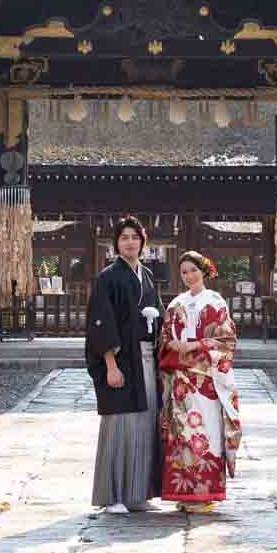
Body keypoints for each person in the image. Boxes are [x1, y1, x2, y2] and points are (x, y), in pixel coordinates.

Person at [85, 216, 164, 514]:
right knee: (119, 425)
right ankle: (113, 496)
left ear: (143, 241)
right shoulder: (107, 277)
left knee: (144, 424)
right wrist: (110, 365)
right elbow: (100, 323)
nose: (130, 242)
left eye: (135, 237)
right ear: (116, 243)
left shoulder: (146, 275)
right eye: (124, 237)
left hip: (145, 357)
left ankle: (137, 494)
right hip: (120, 360)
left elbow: (160, 317)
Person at [157, 251, 241, 513]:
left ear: (204, 271)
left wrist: (193, 345)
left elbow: (226, 341)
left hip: (206, 379)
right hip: (181, 380)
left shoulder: (216, 302)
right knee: (182, 434)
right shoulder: (175, 304)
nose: (189, 276)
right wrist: (173, 345)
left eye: (193, 270)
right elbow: (163, 338)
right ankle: (183, 493)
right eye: (184, 272)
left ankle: (206, 494)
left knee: (206, 433)